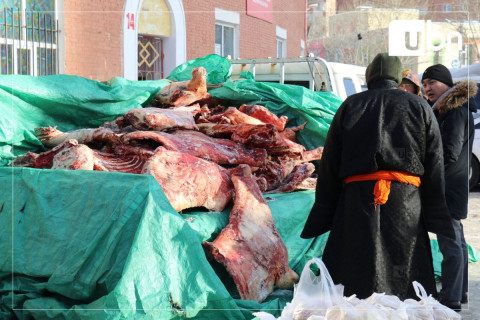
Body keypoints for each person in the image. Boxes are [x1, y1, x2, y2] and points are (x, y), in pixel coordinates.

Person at [301, 53, 455, 301]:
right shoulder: (419, 106)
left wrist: (326, 209)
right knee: (404, 274)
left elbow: (329, 163)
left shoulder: (350, 106)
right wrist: (434, 210)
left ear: (369, 77)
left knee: (354, 274)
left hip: (356, 203)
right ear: (397, 78)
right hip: (405, 204)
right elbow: (434, 163)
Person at [421, 64, 477, 311]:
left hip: (447, 186)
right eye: (424, 84)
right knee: (457, 241)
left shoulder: (454, 111)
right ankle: (460, 293)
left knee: (450, 243)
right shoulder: (452, 109)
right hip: (454, 186)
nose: (427, 88)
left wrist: (427, 167)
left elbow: (450, 152)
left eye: (432, 82)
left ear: (445, 83)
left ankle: (451, 299)